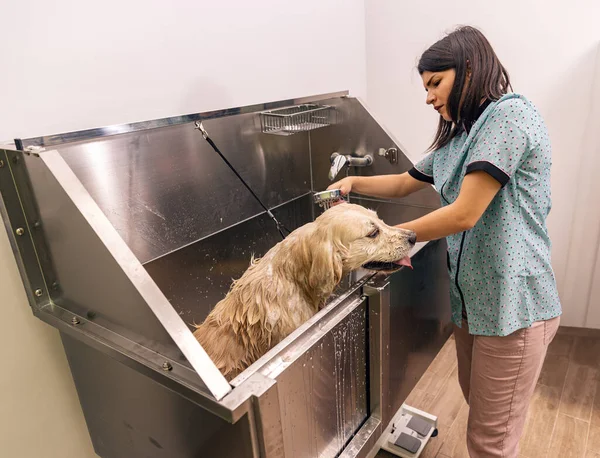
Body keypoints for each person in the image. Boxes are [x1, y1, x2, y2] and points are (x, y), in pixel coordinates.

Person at [328, 26, 562, 458]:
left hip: (515, 307)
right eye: (425, 86)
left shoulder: (510, 116)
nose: (429, 97)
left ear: (469, 69)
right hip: (475, 305)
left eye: (436, 82)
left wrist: (392, 242)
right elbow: (404, 182)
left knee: (489, 441)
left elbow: (464, 213)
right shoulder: (458, 139)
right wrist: (352, 183)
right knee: (483, 410)